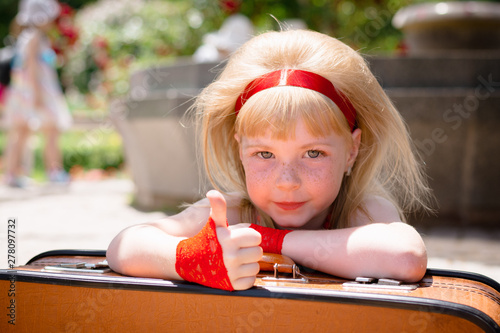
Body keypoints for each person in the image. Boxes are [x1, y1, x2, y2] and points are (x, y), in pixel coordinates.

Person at [107, 29, 433, 291]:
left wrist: (268, 240)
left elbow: (406, 257)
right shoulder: (234, 213)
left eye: (313, 153)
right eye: (265, 154)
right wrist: (188, 257)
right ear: (239, 150)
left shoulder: (362, 212)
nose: (287, 180)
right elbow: (124, 246)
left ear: (351, 150)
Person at [2, 0, 71, 187]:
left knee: (21, 131)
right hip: (35, 92)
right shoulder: (34, 38)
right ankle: (54, 171)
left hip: (25, 92)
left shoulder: (29, 37)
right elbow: (31, 67)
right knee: (50, 130)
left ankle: (12, 174)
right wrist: (36, 95)